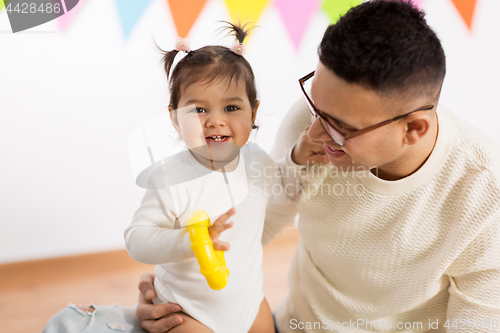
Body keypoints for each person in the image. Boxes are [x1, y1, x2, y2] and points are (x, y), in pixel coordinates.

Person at [134, 1, 500, 332]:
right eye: (315, 106)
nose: (313, 132)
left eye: (341, 127)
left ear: (413, 129)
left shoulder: (486, 196)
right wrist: (180, 287)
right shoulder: (312, 125)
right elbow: (258, 219)